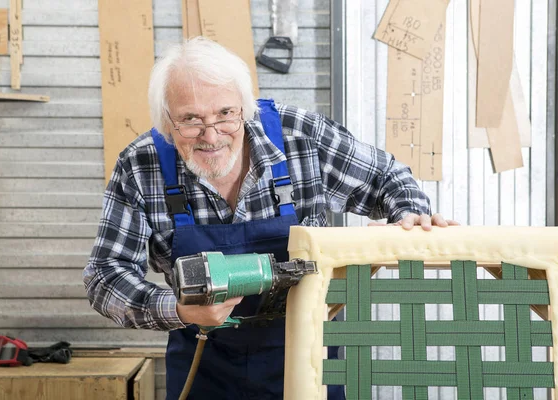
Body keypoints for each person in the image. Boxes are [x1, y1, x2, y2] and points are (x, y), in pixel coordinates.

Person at [83, 36, 458, 400]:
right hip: (204, 361)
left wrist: (409, 214)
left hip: (310, 352)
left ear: (245, 107)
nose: (211, 136)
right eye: (190, 120)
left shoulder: (301, 136)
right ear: (167, 119)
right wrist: (178, 309)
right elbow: (105, 276)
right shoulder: (141, 164)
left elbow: (388, 178)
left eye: (226, 114)